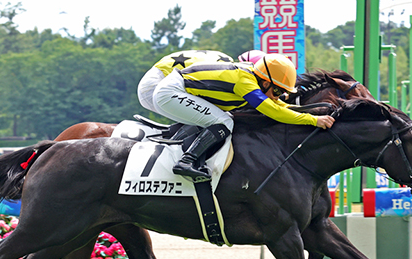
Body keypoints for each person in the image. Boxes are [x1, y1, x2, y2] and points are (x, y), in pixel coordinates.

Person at [152, 53, 336, 181]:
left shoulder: (255, 78)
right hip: (170, 92)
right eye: (277, 91)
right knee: (224, 121)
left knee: (220, 119)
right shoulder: (245, 82)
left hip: (176, 89)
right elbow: (273, 111)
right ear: (265, 83)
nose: (278, 96)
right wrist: (313, 120)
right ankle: (186, 162)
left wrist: (308, 112)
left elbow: (278, 105)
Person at [137, 50, 234, 114]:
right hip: (157, 83)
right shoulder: (228, 69)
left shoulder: (226, 62)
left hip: (155, 79)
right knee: (213, 117)